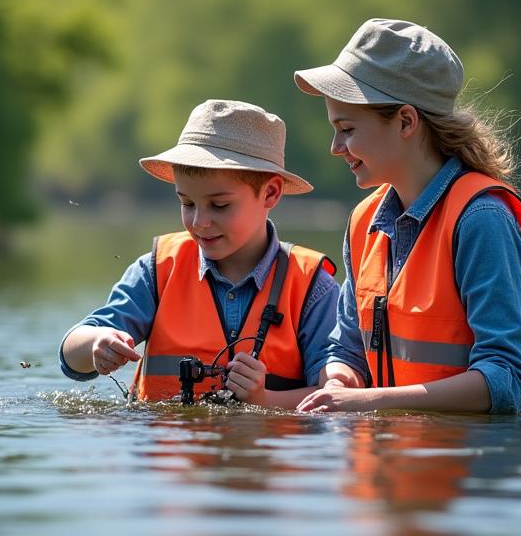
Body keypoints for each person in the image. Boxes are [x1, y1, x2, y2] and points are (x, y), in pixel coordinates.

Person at [292, 18, 521, 413]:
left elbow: (506, 379)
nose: (335, 147)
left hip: (489, 452)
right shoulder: (364, 221)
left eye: (346, 129)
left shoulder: (482, 218)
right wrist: (340, 378)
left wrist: (366, 401)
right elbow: (345, 349)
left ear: (406, 121)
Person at [60, 99, 339, 408]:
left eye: (219, 205)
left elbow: (336, 396)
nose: (199, 222)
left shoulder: (313, 287)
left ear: (271, 193)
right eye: (187, 203)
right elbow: (72, 354)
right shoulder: (157, 270)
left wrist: (265, 399)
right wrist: (96, 344)